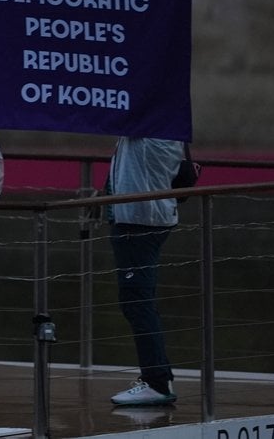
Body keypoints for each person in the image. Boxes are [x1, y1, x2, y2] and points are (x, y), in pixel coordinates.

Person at [104, 136, 183, 406]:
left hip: (139, 222)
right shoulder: (156, 126)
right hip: (140, 219)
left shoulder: (149, 128)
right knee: (139, 302)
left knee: (137, 303)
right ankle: (158, 378)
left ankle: (157, 382)